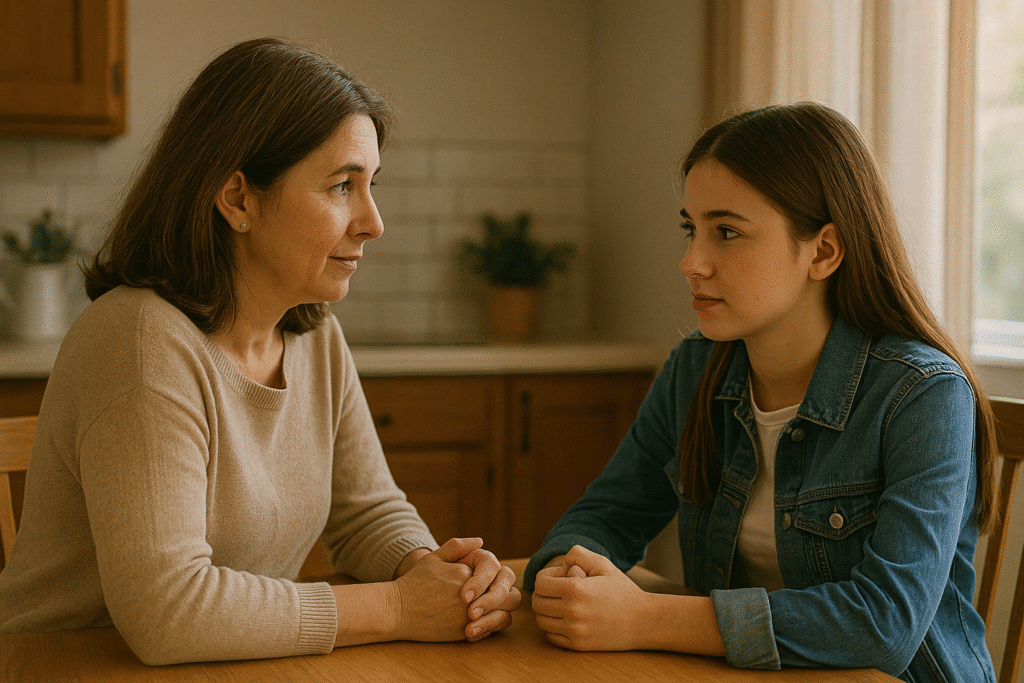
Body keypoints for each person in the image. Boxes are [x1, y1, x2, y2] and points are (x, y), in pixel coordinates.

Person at [0, 37, 520, 665]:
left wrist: (439, 573)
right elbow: (168, 611)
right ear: (239, 198)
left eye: (370, 184)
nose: (373, 221)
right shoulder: (140, 340)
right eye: (340, 187)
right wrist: (398, 608)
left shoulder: (313, 332)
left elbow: (366, 512)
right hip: (68, 667)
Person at [524, 102, 997, 682]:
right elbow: (606, 515)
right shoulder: (694, 371)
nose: (691, 262)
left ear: (823, 250)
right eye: (690, 229)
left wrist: (647, 618)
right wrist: (563, 575)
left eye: (727, 233)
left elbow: (884, 624)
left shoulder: (923, 394)